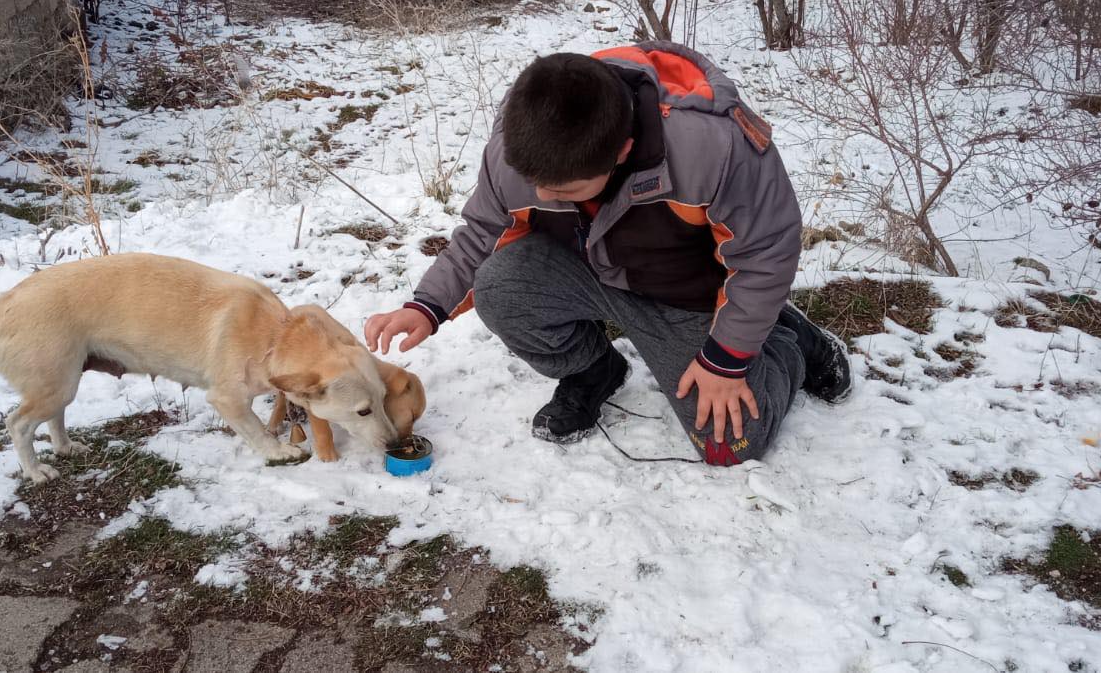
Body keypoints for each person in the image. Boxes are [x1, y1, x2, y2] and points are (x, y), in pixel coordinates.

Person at [364, 42, 851, 466]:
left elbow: (765, 255)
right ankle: (594, 371)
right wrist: (426, 306)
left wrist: (727, 358)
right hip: (593, 270)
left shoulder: (713, 147)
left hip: (688, 295)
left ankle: (787, 340)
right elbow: (484, 233)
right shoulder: (520, 145)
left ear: (622, 151)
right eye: (534, 181)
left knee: (731, 445)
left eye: (564, 189)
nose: (541, 194)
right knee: (499, 286)